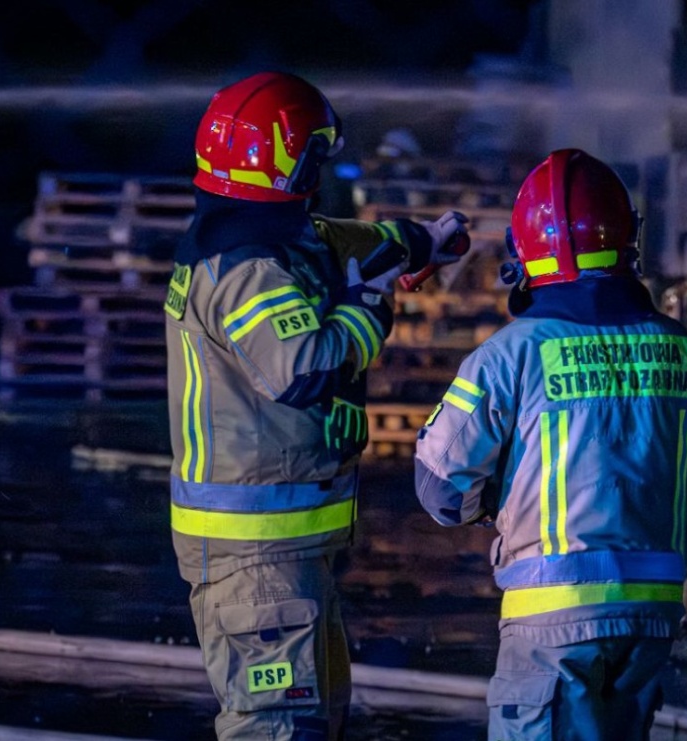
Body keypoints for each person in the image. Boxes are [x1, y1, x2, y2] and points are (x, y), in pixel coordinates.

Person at [413, 148, 687, 740]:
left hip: (550, 620)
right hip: (649, 620)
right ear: (627, 242)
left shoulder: (510, 354)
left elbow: (441, 489)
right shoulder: (681, 351)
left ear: (526, 254)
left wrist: (492, 499)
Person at [163, 70, 468, 740]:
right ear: (287, 161)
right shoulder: (244, 267)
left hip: (286, 549)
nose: (320, 173)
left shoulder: (268, 239)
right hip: (257, 559)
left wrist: (422, 240)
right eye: (315, 157)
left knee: (311, 723)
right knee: (277, 729)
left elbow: (341, 244)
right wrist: (370, 305)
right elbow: (304, 368)